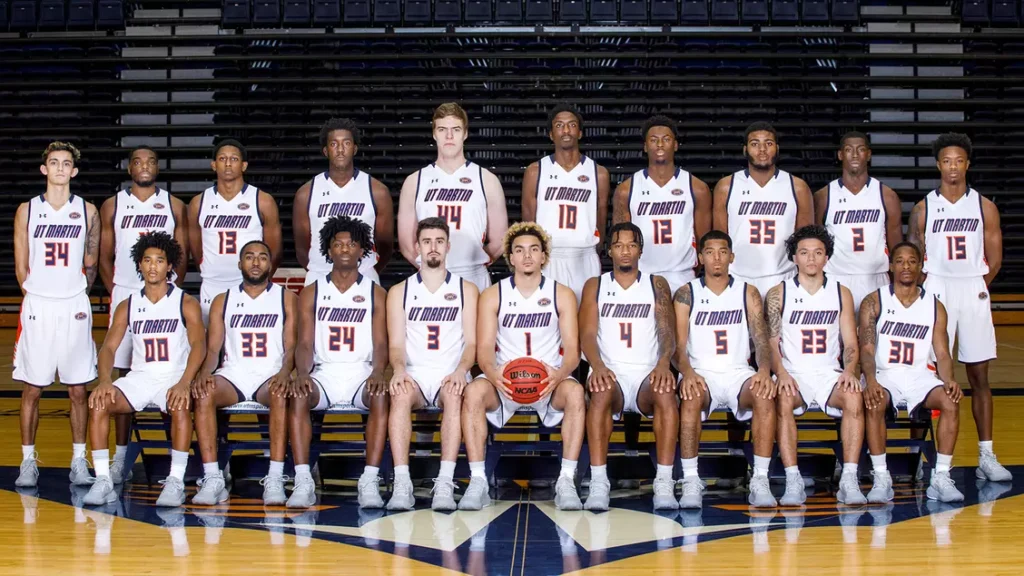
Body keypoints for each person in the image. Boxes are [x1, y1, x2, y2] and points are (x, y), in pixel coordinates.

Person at [460, 223, 586, 511]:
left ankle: (566, 479)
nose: (527, 256)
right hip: (505, 381)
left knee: (577, 395)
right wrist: (494, 375)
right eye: (519, 250)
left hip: (549, 381)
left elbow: (573, 353)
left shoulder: (562, 294)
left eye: (533, 249)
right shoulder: (493, 294)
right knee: (474, 393)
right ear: (511, 257)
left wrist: (559, 375)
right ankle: (478, 480)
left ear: (544, 256)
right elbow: (484, 352)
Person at [908, 133, 1011, 481]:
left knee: (979, 376)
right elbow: (914, 257)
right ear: (939, 165)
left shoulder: (984, 206)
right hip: (936, 287)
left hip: (972, 286)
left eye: (959, 160)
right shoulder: (924, 208)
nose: (953, 167)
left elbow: (995, 258)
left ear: (968, 164)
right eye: (947, 161)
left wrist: (978, 286)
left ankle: (986, 453)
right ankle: (921, 460)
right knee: (928, 375)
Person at [81, 232, 206, 507]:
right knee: (99, 404)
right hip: (139, 377)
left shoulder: (185, 302)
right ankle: (103, 479)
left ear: (169, 266)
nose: (152, 266)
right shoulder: (128, 305)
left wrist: (185, 381)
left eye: (159, 261)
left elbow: (199, 345)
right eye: (147, 260)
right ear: (139, 264)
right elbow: (108, 349)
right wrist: (104, 381)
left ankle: (175, 480)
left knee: (180, 405)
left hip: (172, 377)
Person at [98, 145, 189, 484]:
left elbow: (181, 255)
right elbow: (105, 255)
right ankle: (120, 456)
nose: (144, 166)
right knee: (123, 376)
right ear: (129, 168)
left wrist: (163, 285)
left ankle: (173, 458)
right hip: (126, 291)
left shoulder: (174, 205)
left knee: (171, 371)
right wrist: (118, 290)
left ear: (158, 168)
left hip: (163, 291)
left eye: (151, 161)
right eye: (138, 161)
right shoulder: (113, 204)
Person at [13, 141, 100, 488]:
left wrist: (77, 292)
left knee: (78, 389)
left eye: (66, 163)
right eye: (54, 162)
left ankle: (79, 461)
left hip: (74, 304)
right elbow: (22, 265)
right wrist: (36, 293)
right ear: (44, 169)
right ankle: (27, 461)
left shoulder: (88, 211)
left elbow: (91, 262)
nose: (61, 168)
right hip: (38, 305)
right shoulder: (27, 210)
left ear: (74, 172)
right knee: (32, 389)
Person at [289, 216, 390, 509]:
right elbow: (305, 342)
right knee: (299, 394)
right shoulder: (311, 292)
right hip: (326, 372)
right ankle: (303, 479)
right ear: (328, 250)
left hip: (361, 371)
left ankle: (369, 480)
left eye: (352, 243)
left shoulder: (375, 292)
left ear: (363, 251)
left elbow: (381, 342)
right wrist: (303, 373)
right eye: (338, 243)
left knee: (381, 395)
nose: (345, 248)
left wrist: (378, 372)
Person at [673, 230, 777, 509]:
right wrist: (689, 372)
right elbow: (677, 347)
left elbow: (761, 340)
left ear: (732, 257)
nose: (716, 258)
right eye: (710, 252)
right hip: (700, 372)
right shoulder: (686, 293)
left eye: (722, 252)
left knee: (765, 395)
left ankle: (761, 479)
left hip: (737, 372)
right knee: (691, 397)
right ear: (700, 257)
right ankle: (691, 479)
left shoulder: (748, 292)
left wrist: (764, 370)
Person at [765, 225, 866, 506]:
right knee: (782, 399)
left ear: (826, 257)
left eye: (818, 252)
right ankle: (793, 478)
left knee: (854, 396)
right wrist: (781, 372)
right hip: (793, 374)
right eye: (804, 253)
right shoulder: (778, 293)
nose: (811, 258)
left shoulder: (840, 292)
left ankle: (849, 478)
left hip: (828, 373)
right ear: (794, 257)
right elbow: (771, 343)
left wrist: (849, 371)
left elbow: (851, 343)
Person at [579, 222, 678, 511]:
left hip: (647, 371)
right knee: (599, 392)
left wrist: (663, 365)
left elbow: (666, 331)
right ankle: (599, 481)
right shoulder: (595, 285)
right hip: (611, 371)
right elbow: (587, 333)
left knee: (666, 393)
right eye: (619, 245)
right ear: (609, 250)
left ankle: (664, 481)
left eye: (632, 245)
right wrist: (596, 366)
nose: (625, 251)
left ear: (640, 250)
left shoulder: (656, 283)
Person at [191, 240, 297, 505]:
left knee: (280, 394)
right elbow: (214, 347)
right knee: (204, 393)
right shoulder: (222, 300)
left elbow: (292, 344)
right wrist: (205, 371)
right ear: (240, 264)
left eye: (262, 257)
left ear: (270, 264)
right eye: (249, 257)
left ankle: (274, 476)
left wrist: (286, 371)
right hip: (234, 374)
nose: (256, 262)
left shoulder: (286, 298)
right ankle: (213, 477)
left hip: (269, 374)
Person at [859, 242, 965, 503]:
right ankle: (882, 476)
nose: (906, 266)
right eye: (900, 261)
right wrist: (870, 380)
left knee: (950, 400)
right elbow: (867, 350)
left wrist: (949, 379)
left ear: (920, 266)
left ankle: (940, 477)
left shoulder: (934, 306)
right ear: (891, 265)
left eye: (912, 261)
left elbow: (942, 353)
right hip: (885, 374)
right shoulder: (874, 301)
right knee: (874, 402)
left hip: (920, 376)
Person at [385, 217, 479, 511]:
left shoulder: (467, 290)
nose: (433, 247)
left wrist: (461, 371)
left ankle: (444, 482)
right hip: (414, 373)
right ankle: (402, 482)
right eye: (427, 242)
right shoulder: (399, 291)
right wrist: (399, 370)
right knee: (399, 394)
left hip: (449, 373)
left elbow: (472, 344)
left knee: (453, 394)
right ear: (417, 247)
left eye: (439, 241)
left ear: (448, 246)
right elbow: (396, 345)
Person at [397, 102, 509, 292]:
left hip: (473, 275)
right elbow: (407, 245)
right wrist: (433, 267)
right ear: (434, 133)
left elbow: (500, 240)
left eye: (455, 129)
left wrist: (472, 262)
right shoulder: (414, 181)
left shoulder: (486, 179)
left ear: (465, 133)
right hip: (429, 276)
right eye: (442, 129)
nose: (449, 136)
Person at [612, 115, 712, 296]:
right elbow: (620, 242)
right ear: (644, 146)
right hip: (641, 276)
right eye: (653, 140)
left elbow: (704, 242)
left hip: (683, 275)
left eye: (666, 139)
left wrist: (691, 269)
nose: (659, 145)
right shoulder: (626, 190)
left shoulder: (697, 188)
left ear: (675, 145)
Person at [713, 121, 814, 298]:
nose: (762, 149)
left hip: (783, 277)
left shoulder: (797, 187)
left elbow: (805, 242)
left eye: (768, 143)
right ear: (745, 150)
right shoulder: (726, 187)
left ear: (777, 148)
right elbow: (720, 241)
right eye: (755, 144)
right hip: (738, 278)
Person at [521, 104, 611, 301]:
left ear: (579, 133)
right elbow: (528, 223)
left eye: (571, 125)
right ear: (551, 134)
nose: (566, 130)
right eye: (559, 125)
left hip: (585, 256)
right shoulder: (536, 171)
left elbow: (601, 218)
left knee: (586, 320)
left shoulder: (599, 173)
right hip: (550, 257)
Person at [189, 139, 282, 323]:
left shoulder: (262, 201)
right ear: (214, 165)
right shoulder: (198, 203)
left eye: (234, 159)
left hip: (249, 285)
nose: (228, 163)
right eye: (222, 159)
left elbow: (274, 251)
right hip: (212, 285)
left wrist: (257, 279)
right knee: (212, 347)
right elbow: (196, 249)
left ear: (244, 165)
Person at [293, 118, 393, 286]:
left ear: (354, 149)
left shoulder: (377, 191)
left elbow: (385, 245)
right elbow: (302, 248)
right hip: (320, 275)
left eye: (346, 143)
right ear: (326, 151)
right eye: (334, 144)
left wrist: (367, 268)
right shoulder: (306, 193)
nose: (340, 149)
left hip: (364, 274)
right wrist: (322, 267)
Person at [816, 132, 903, 310]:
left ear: (868, 154)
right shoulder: (824, 196)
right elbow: (814, 244)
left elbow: (896, 246)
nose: (854, 154)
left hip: (876, 277)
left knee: (876, 336)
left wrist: (899, 283)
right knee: (838, 337)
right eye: (848, 150)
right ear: (840, 155)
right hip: (836, 277)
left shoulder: (886, 196)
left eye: (860, 149)